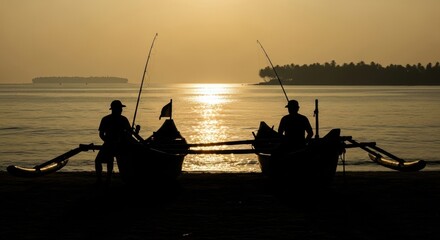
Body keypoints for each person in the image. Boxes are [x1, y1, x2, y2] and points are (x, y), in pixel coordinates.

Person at [95, 100, 132, 185]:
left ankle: (106, 179)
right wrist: (108, 141)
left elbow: (129, 133)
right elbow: (101, 134)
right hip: (110, 143)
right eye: (119, 108)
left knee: (107, 160)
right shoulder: (107, 119)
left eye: (121, 108)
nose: (121, 110)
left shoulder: (123, 119)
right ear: (114, 109)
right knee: (99, 161)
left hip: (121, 144)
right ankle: (101, 180)